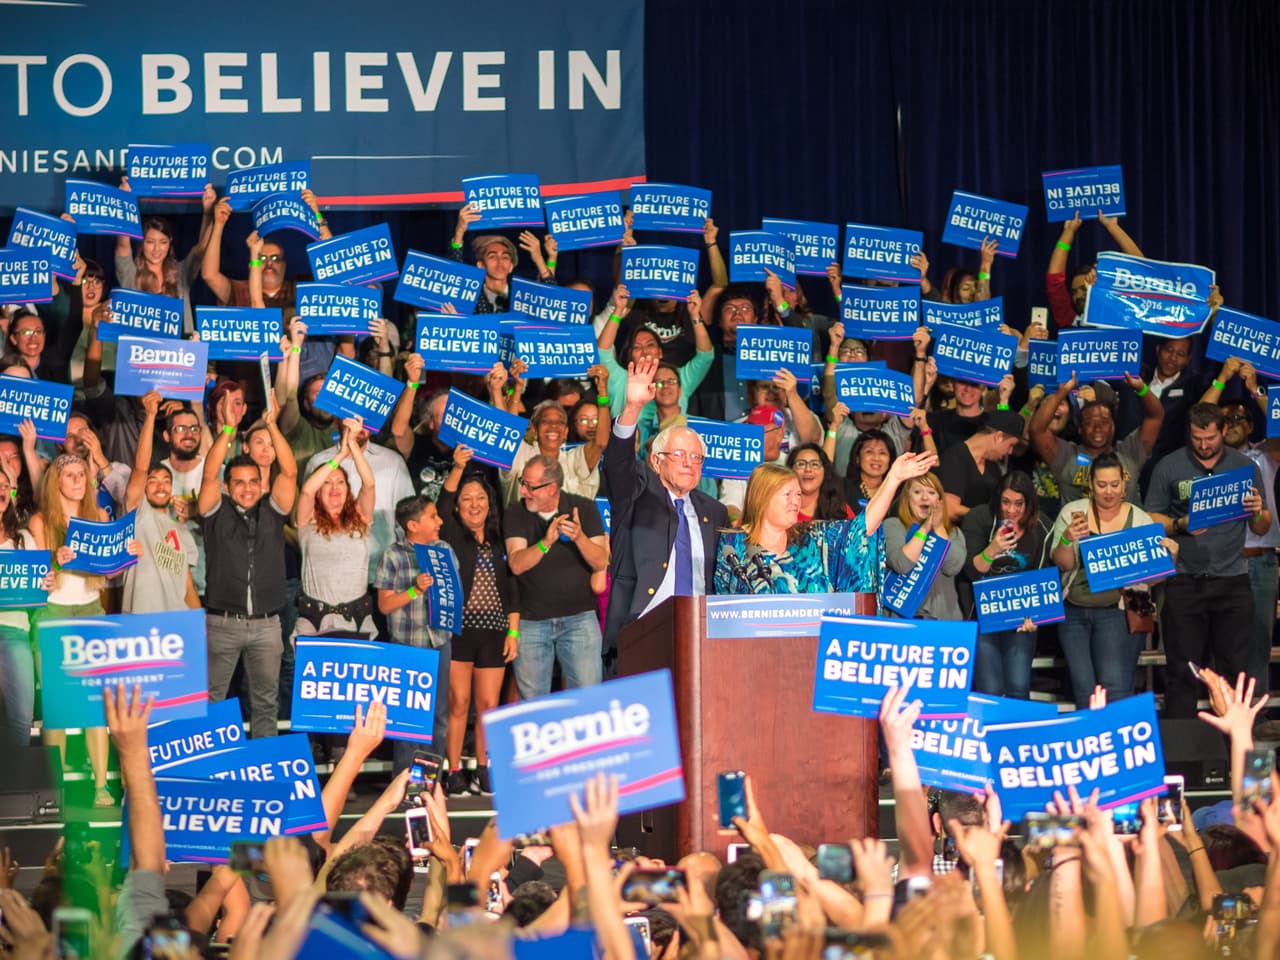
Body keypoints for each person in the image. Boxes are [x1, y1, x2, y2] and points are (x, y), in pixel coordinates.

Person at [1145, 403, 1269, 718]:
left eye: (1210, 438)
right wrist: (1179, 524)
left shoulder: (1244, 466)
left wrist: (1257, 511)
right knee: (1182, 674)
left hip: (1232, 581)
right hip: (1184, 581)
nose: (1204, 444)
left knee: (1233, 673)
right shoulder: (1169, 466)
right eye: (1197, 437)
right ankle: (1184, 760)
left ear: (1224, 431)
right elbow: (1149, 518)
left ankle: (1233, 754)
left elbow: (1261, 525)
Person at [28, 452, 138, 805]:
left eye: (81, 474)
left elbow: (109, 573)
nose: (77, 480)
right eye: (70, 474)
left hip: (91, 610)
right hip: (54, 612)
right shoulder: (41, 522)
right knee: (58, 709)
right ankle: (54, 790)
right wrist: (55, 563)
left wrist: (127, 555)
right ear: (55, 481)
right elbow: (38, 582)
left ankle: (101, 786)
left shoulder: (101, 516)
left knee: (95, 706)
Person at [603, 357, 729, 655]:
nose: (689, 463)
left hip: (703, 634)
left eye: (696, 458)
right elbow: (617, 464)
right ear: (656, 461)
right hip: (642, 630)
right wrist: (632, 407)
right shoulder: (636, 494)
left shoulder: (715, 511)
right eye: (680, 454)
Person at [198, 396, 298, 739]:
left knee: (266, 703)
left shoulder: (273, 509)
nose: (246, 488)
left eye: (252, 482)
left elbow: (290, 471)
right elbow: (209, 472)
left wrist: (271, 424)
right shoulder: (215, 512)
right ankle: (210, 770)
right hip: (221, 623)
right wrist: (228, 428)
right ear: (228, 487)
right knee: (212, 700)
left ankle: (263, 773)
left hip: (267, 626)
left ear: (260, 484)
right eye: (238, 482)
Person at [1050, 452, 1176, 708]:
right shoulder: (1073, 513)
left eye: (1114, 485)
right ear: (1090, 485)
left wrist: (1170, 559)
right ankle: (1089, 744)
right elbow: (1063, 564)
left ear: (1124, 484)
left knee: (1115, 685)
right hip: (1074, 611)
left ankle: (1117, 744)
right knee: (1084, 688)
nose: (1108, 492)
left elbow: (1152, 579)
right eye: (1102, 485)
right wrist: (1066, 539)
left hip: (1116, 612)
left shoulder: (1139, 518)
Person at [715, 452, 938, 595]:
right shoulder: (731, 546)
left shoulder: (811, 538)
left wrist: (893, 479)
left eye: (798, 494)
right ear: (762, 497)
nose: (796, 502)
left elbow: (861, 527)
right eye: (787, 495)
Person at [438, 446, 519, 797]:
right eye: (467, 499)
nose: (474, 504)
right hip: (459, 632)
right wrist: (458, 468)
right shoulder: (453, 538)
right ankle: (454, 769)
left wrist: (513, 630)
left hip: (494, 633)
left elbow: (514, 588)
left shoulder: (501, 540)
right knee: (458, 702)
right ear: (458, 507)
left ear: (490, 503)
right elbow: (444, 500)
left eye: (480, 498)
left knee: (489, 705)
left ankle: (484, 767)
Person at [504, 455, 609, 697]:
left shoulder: (583, 508)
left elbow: (600, 561)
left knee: (587, 700)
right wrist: (545, 542)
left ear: (552, 488)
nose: (523, 490)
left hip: (579, 620)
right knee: (533, 705)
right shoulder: (516, 512)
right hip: (531, 622)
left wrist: (579, 537)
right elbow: (516, 564)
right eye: (523, 483)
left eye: (531, 486)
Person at [373, 495, 454, 771]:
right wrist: (414, 589)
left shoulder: (444, 550)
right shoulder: (393, 556)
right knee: (408, 720)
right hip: (407, 647)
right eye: (433, 516)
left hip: (440, 642)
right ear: (412, 525)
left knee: (439, 718)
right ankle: (404, 785)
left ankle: (431, 783)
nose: (439, 521)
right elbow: (384, 605)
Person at [961, 471, 1051, 698]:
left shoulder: (1041, 526)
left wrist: (1036, 616)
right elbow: (970, 571)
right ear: (997, 499)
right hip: (982, 618)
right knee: (989, 690)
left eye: (1019, 504)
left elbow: (1044, 578)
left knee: (1018, 687)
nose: (1011, 510)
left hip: (1021, 620)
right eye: (1006, 502)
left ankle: (1018, 734)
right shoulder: (978, 518)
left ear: (1028, 503)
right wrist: (993, 549)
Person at [294, 418, 377, 640]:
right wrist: (339, 456)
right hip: (315, 621)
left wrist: (352, 445)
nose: (334, 488)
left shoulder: (360, 519)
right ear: (320, 492)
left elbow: (369, 484)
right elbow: (307, 492)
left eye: (340, 482)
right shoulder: (308, 522)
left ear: (348, 489)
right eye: (327, 483)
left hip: (357, 620)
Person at [1029, 372, 1164, 505]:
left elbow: (1156, 416)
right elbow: (1037, 430)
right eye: (1089, 423)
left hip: (1127, 526)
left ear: (1113, 426)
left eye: (1104, 422)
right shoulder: (1066, 456)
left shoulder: (1130, 452)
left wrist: (1141, 388)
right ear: (1080, 429)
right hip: (1079, 525)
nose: (1097, 427)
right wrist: (1062, 393)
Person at [120, 391, 199, 613]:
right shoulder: (139, 514)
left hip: (175, 625)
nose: (160, 486)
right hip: (141, 622)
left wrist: (198, 624)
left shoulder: (182, 531)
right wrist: (151, 416)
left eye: (166, 481)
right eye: (152, 481)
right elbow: (141, 468)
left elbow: (189, 587)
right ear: (143, 488)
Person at [114, 184, 216, 335]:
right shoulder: (131, 272)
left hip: (179, 351)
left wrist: (207, 212)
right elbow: (123, 245)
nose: (156, 249)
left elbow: (201, 249)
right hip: (142, 353)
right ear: (141, 243)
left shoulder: (180, 272)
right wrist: (124, 202)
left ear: (170, 243)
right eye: (150, 242)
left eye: (163, 243)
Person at [882, 472, 967, 620]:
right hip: (900, 619)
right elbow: (901, 564)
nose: (925, 497)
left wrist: (939, 528)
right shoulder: (893, 525)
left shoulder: (953, 533)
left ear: (939, 501)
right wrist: (924, 529)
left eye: (931, 492)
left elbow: (952, 567)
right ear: (907, 498)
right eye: (917, 492)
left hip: (943, 620)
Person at [0, 467, 36, 747]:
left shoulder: (23, 540)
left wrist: (45, 581)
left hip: (15, 632)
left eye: (5, 485)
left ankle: (16, 786)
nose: (1, 489)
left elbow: (39, 585)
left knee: (21, 718)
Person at [937, 410, 1024, 521]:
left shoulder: (993, 467)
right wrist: (992, 517)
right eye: (1011, 445)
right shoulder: (955, 458)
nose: (1010, 451)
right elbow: (950, 509)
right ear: (999, 436)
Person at [786, 443, 852, 521]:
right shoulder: (779, 508)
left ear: (825, 471)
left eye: (814, 464)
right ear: (790, 470)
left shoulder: (840, 509)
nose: (808, 469)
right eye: (801, 464)